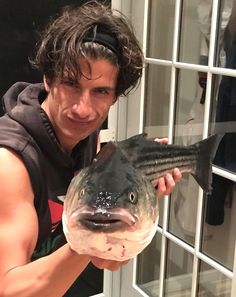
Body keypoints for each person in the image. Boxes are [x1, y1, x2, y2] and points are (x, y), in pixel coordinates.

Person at [0, 1, 182, 296]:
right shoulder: (10, 163)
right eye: (70, 84)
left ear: (114, 97)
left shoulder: (84, 138)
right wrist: (93, 237)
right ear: (48, 78)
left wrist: (134, 198)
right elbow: (9, 291)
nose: (83, 109)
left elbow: (102, 259)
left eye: (100, 91)